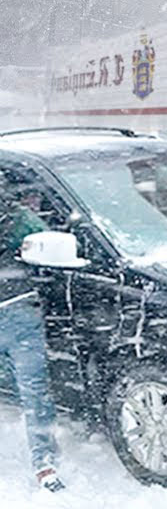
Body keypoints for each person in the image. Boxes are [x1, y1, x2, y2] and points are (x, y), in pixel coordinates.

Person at [0, 189, 64, 492]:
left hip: (17, 310)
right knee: (33, 389)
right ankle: (44, 462)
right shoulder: (18, 218)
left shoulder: (17, 217)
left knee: (30, 388)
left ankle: (44, 461)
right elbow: (48, 242)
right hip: (18, 308)